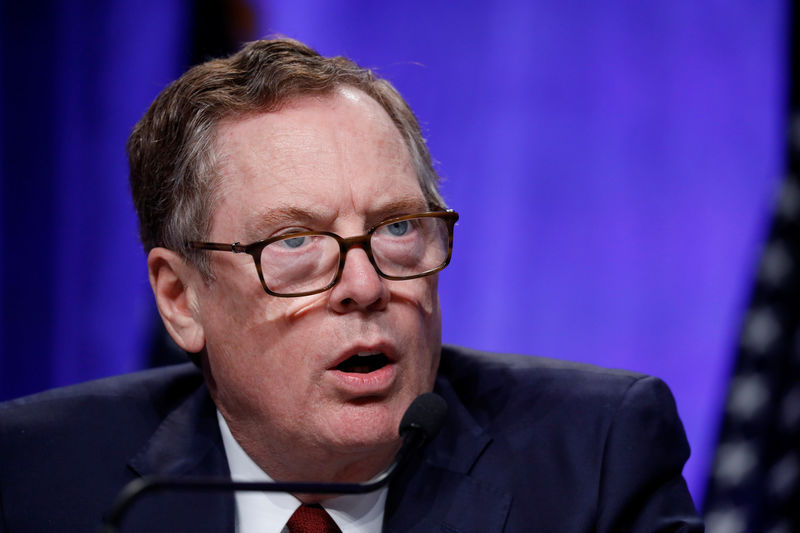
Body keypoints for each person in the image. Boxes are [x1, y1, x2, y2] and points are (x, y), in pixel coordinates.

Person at [0, 38, 703, 532]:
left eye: (398, 227)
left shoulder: (596, 457)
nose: (365, 286)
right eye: (295, 241)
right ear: (181, 299)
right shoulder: (40, 474)